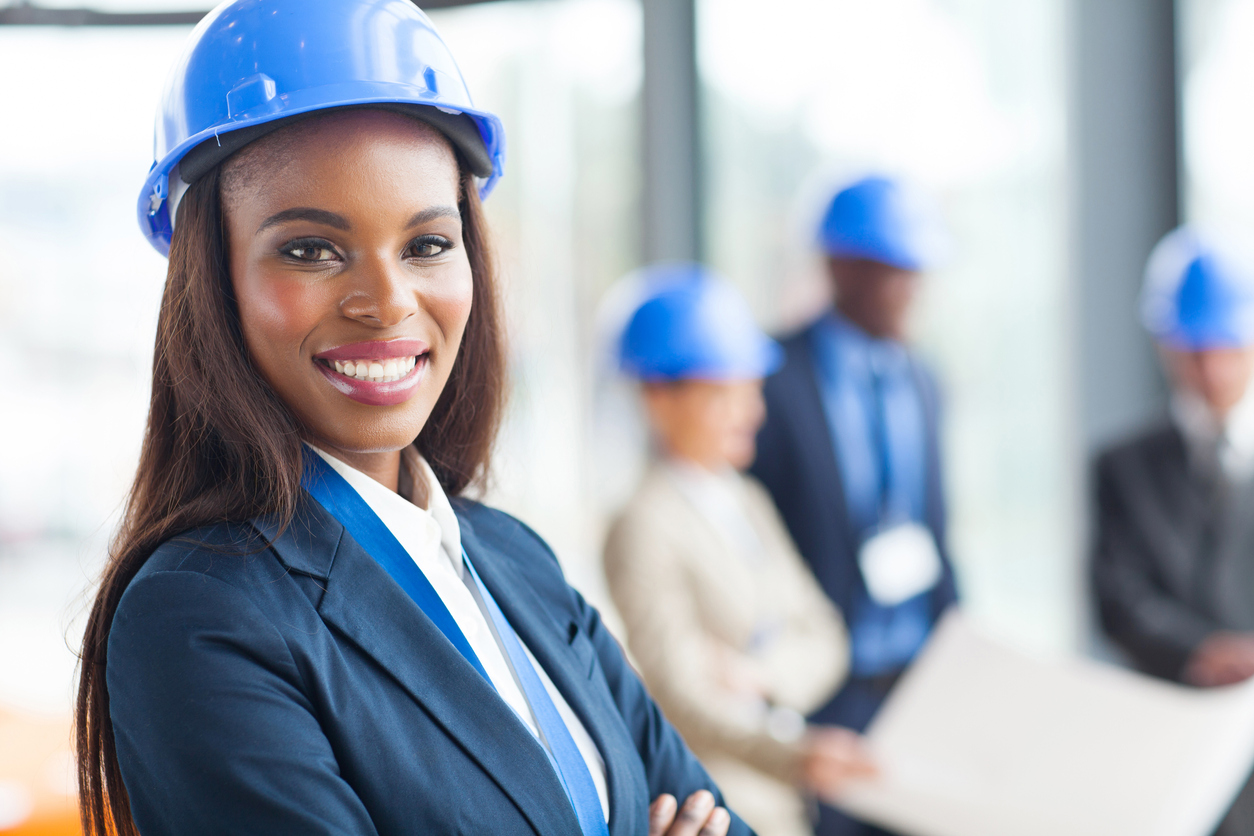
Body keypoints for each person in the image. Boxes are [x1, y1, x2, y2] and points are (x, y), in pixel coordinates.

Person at [74, 3, 751, 835]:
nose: (388, 302)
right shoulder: (199, 616)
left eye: (427, 244)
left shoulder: (513, 560)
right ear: (216, 287)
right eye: (310, 249)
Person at [603, 266, 878, 836]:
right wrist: (797, 753)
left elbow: (826, 636)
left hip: (785, 804)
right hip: (718, 807)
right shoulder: (642, 525)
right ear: (658, 396)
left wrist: (759, 674)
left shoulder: (747, 499)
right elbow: (682, 698)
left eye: (752, 390)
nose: (751, 412)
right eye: (724, 393)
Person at [749, 176, 959, 836]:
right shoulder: (771, 377)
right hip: (826, 695)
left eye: (915, 271)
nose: (909, 289)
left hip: (919, 689)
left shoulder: (925, 380)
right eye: (891, 270)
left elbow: (934, 529)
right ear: (841, 268)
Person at [1093, 226, 1254, 835]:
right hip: (1167, 737)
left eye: (1227, 348)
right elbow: (1116, 597)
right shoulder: (1121, 467)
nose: (1211, 369)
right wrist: (1199, 652)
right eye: (1194, 350)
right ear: (1164, 346)